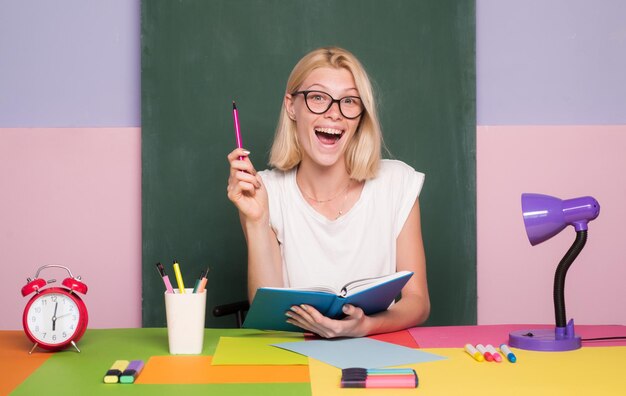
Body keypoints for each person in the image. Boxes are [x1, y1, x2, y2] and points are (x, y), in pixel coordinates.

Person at [227, 46, 430, 338]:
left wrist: (365, 326)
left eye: (348, 101)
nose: (334, 113)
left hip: (375, 357)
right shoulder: (263, 191)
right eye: (318, 98)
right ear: (291, 106)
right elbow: (267, 314)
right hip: (295, 363)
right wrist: (257, 221)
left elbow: (418, 302)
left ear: (361, 115)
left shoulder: (397, 183)